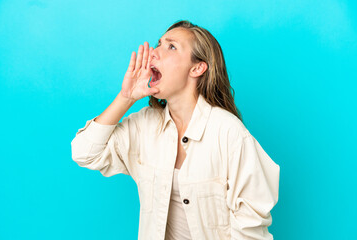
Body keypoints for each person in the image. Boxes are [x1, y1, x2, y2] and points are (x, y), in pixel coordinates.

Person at [71, 20, 280, 240]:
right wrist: (126, 98)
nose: (154, 52)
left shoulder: (229, 133)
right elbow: (84, 153)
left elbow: (250, 227)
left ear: (197, 68)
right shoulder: (144, 126)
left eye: (171, 46)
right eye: (158, 43)